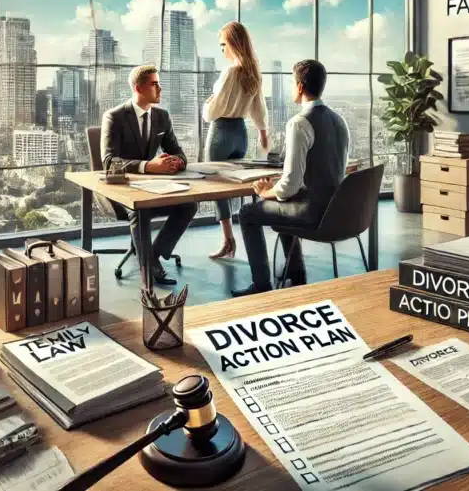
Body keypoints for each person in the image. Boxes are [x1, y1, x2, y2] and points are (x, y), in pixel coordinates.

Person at [231, 59, 350, 297]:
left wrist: (265, 191)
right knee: (282, 201)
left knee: (247, 214)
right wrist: (281, 187)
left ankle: (261, 284)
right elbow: (331, 169)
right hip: (337, 212)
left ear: (299, 87)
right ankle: (295, 273)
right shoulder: (340, 120)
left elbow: (289, 186)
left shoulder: (299, 123)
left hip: (312, 212)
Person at [100, 64, 197, 287]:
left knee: (189, 205)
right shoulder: (114, 117)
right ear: (138, 88)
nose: (160, 88)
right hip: (117, 192)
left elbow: (178, 152)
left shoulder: (162, 117)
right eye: (154, 84)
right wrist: (147, 166)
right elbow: (109, 163)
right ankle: (148, 274)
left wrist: (177, 162)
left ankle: (152, 255)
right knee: (139, 210)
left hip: (151, 187)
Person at [201, 21, 269, 260]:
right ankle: (248, 235)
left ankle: (228, 240)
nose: (222, 50)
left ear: (233, 43)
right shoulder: (253, 72)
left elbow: (214, 110)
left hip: (221, 131)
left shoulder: (230, 71)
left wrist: (207, 105)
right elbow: (258, 107)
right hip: (241, 132)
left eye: (223, 44)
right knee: (239, 185)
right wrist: (262, 132)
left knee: (218, 188)